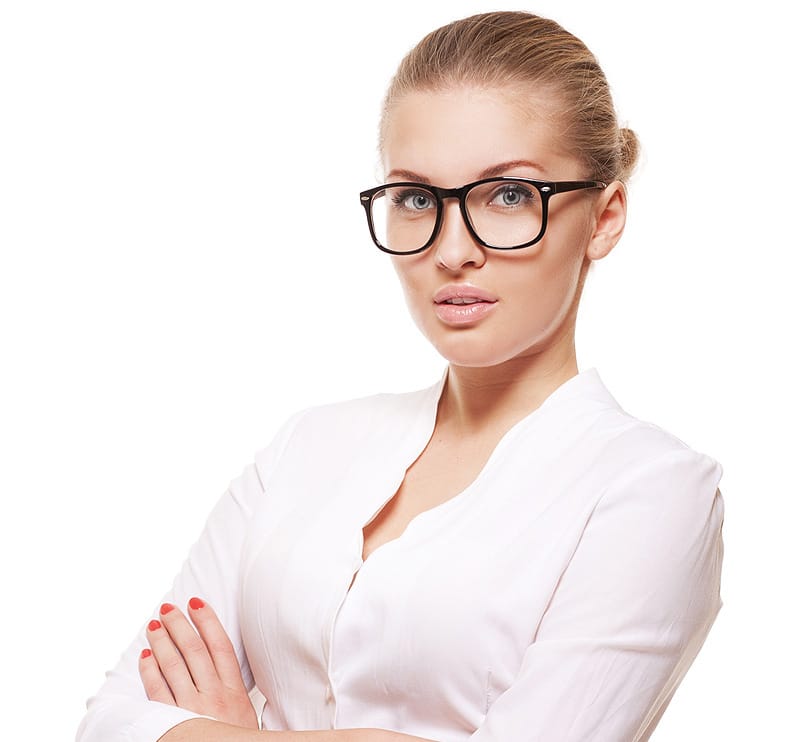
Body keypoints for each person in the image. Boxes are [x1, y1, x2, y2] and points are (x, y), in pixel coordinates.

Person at [76, 10, 724, 742]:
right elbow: (112, 720)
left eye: (510, 195)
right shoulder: (308, 445)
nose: (453, 250)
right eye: (418, 199)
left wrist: (235, 735)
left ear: (604, 219)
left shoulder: (652, 489)